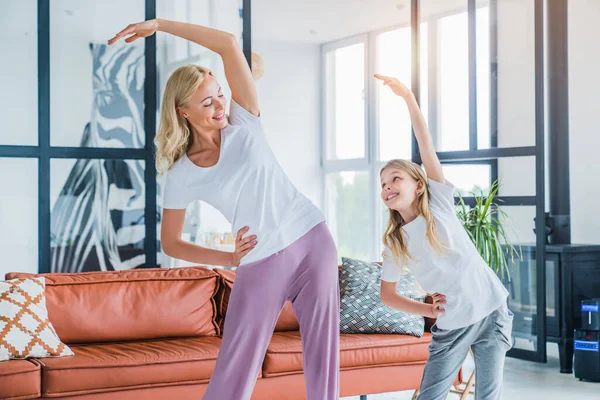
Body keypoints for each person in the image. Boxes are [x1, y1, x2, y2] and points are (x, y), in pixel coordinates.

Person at [108, 19, 340, 400]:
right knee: (236, 365)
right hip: (261, 258)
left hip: (313, 238)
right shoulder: (182, 173)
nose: (219, 105)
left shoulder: (244, 118)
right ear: (183, 111)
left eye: (219, 95)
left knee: (322, 355)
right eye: (207, 101)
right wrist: (228, 257)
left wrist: (159, 24)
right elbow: (171, 242)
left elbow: (230, 44)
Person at [374, 73, 513, 400]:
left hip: (492, 310)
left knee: (488, 396)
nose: (387, 187)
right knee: (431, 397)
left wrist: (407, 96)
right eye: (382, 184)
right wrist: (427, 311)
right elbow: (388, 296)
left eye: (395, 179)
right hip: (452, 326)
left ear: (418, 184)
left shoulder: (438, 204)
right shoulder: (396, 242)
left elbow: (425, 143)